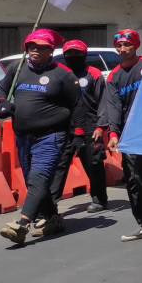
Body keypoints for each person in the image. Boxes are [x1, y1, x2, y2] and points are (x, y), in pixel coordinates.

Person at [0, 29, 81, 244]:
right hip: (23, 137)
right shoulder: (17, 69)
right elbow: (0, 91)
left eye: (41, 47)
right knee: (33, 182)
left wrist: (79, 134)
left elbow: (78, 106)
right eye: (31, 46)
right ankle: (53, 219)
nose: (34, 50)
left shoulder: (63, 75)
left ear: (51, 51)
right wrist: (2, 103)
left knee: (38, 179)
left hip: (51, 136)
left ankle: (22, 224)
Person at [102, 29, 142, 242]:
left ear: (136, 45)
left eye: (127, 45)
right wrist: (113, 134)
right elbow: (113, 107)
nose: (122, 49)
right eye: (119, 46)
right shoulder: (114, 76)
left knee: (140, 175)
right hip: (130, 133)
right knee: (132, 179)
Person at [51, 40, 109, 214]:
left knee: (93, 164)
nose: (73, 57)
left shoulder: (94, 73)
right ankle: (51, 204)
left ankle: (99, 199)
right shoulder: (61, 73)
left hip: (90, 126)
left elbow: (103, 102)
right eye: (69, 54)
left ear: (84, 54)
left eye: (77, 53)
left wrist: (101, 126)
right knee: (59, 165)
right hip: (65, 127)